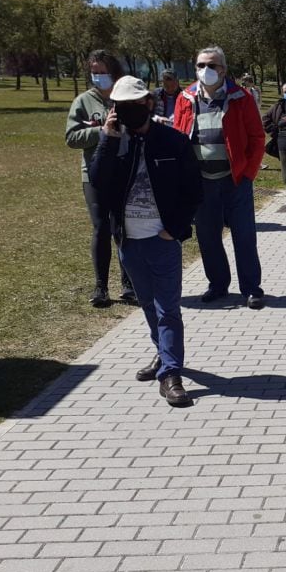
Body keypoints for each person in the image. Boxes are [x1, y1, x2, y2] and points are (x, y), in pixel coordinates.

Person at [88, 76, 203, 407]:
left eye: (134, 105)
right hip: (129, 241)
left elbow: (193, 191)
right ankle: (162, 355)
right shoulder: (113, 141)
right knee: (149, 305)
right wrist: (108, 139)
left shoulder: (172, 141)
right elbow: (97, 181)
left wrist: (175, 228)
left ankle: (170, 374)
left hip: (161, 239)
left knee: (168, 309)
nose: (128, 112)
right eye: (120, 107)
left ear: (149, 104)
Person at [173, 46, 267, 309]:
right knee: (208, 236)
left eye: (212, 65)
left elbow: (258, 138)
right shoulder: (185, 98)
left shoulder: (242, 97)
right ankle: (218, 285)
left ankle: (251, 288)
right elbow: (179, 135)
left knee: (244, 236)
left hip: (235, 179)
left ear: (223, 69)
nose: (206, 70)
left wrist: (248, 173)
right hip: (201, 181)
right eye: (201, 65)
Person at [65, 49, 135, 307]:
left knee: (122, 229)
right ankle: (101, 287)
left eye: (103, 72)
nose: (98, 77)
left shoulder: (125, 98)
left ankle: (129, 284)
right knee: (101, 228)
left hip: (123, 172)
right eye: (94, 73)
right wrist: (100, 130)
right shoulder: (83, 102)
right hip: (93, 175)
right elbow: (71, 138)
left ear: (114, 73)